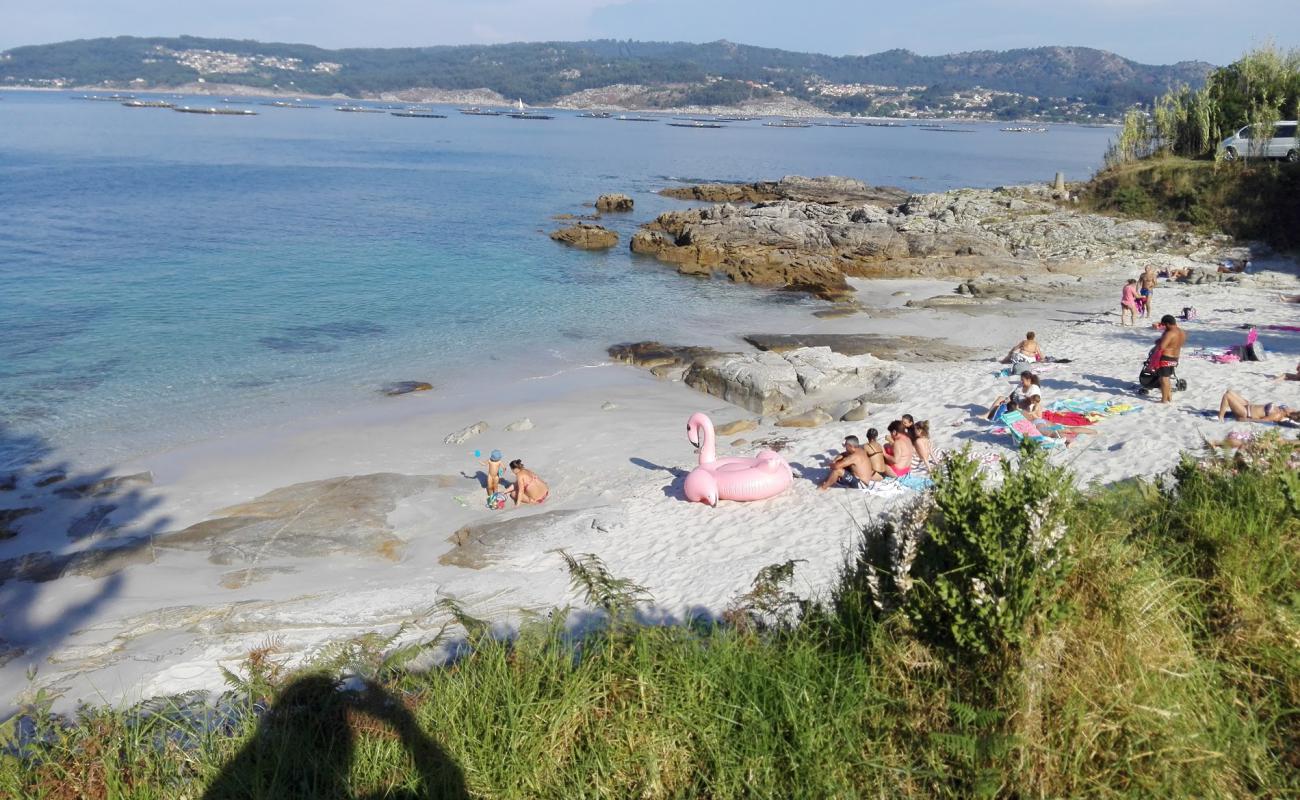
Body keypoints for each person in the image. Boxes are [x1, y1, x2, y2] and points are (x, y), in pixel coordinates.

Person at [1148, 314, 1186, 404]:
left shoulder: (1170, 333)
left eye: (1164, 325)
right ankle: (1169, 397)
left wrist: (1158, 343)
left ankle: (1164, 400)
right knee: (1167, 378)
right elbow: (1174, 343)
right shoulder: (1182, 332)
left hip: (1166, 357)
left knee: (1163, 379)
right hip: (1175, 357)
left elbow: (1162, 346)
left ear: (1168, 324)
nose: (1164, 327)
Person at [1217, 390, 1300, 423]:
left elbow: (1263, 421)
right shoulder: (1287, 410)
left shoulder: (1277, 415)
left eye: (1291, 410)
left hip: (1246, 412)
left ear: (1289, 414)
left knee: (1227, 396)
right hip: (1247, 405)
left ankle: (1220, 417)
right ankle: (1228, 407)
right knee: (1230, 391)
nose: (1289, 408)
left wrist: (1245, 419)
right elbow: (1296, 414)